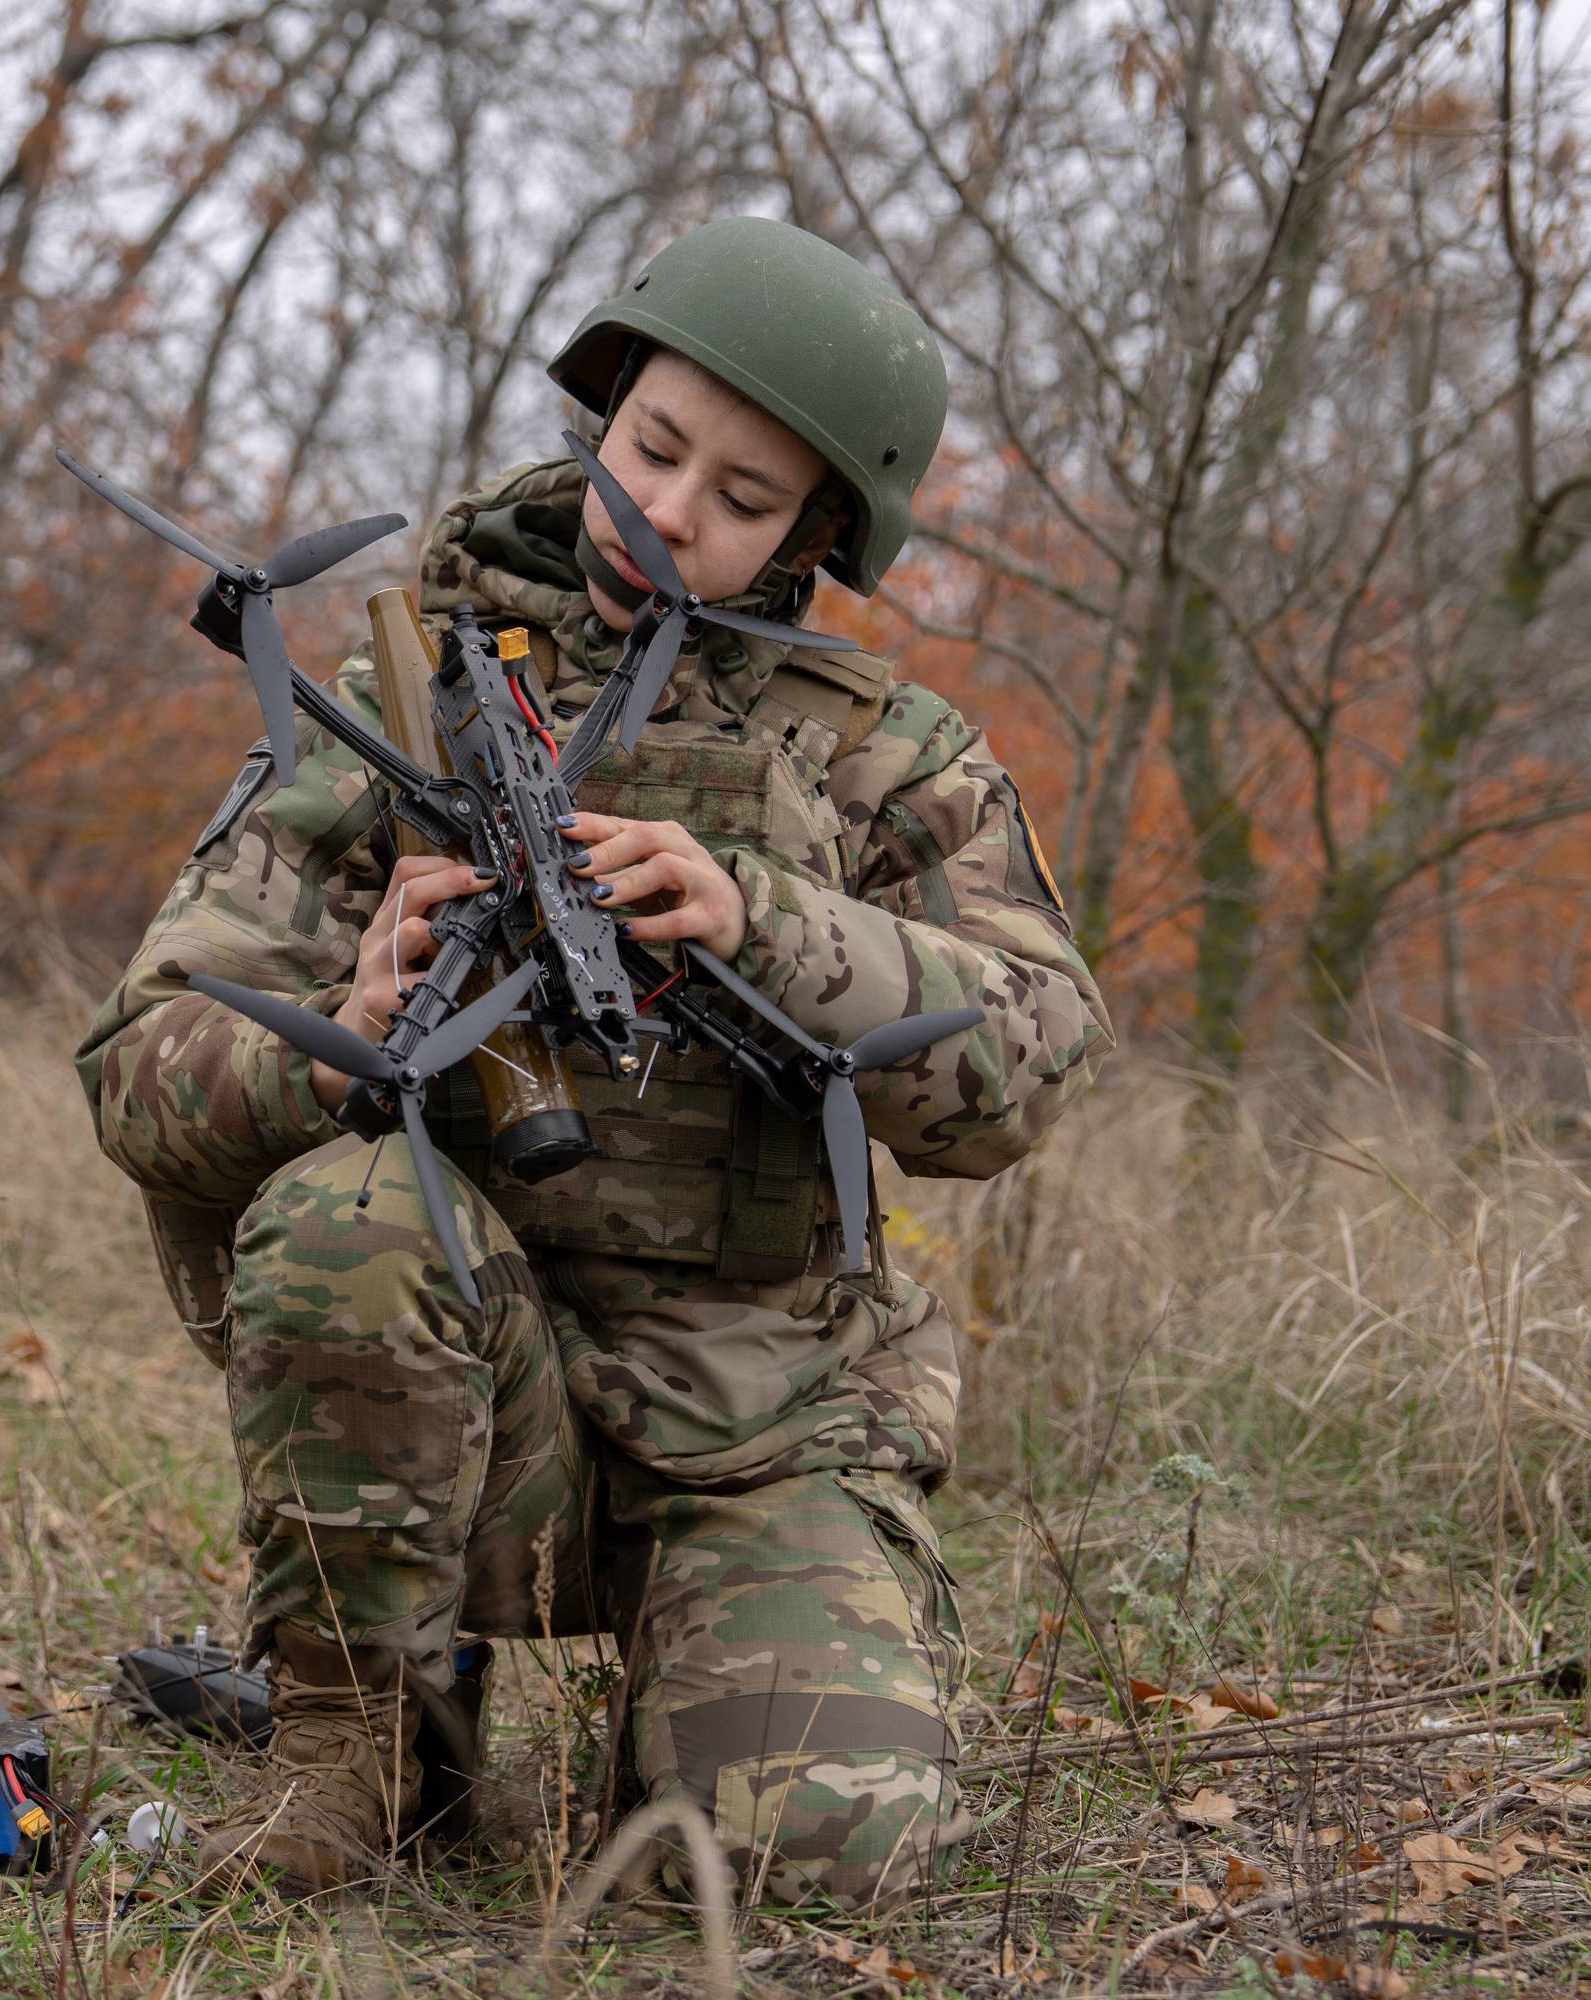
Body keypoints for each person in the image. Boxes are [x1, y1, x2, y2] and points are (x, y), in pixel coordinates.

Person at [75, 214, 1114, 1912]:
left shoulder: (888, 762)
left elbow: (1033, 1071)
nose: (670, 514)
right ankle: (365, 1744)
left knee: (796, 1865)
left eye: (744, 498)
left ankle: (707, 1673)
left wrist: (770, 925)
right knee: (353, 1215)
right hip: (473, 1402)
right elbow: (138, 1067)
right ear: (603, 407)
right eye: (653, 448)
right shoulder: (394, 704)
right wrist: (347, 1031)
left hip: (759, 1423)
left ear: (823, 533)